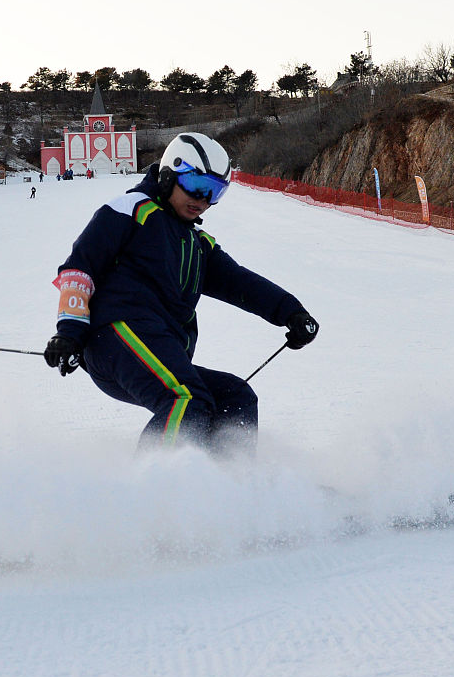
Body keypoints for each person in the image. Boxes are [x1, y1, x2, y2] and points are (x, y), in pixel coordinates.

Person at [43, 133, 318, 453]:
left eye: (215, 192)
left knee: (233, 394)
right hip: (117, 336)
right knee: (186, 398)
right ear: (169, 174)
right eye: (196, 184)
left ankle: (232, 482)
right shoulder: (131, 210)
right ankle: (159, 489)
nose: (202, 199)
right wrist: (69, 333)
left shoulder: (198, 244)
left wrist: (291, 312)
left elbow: (239, 282)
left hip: (159, 348)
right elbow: (78, 271)